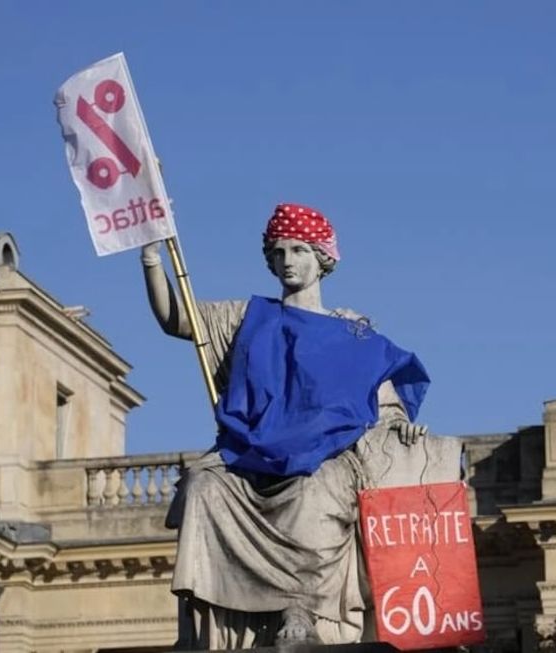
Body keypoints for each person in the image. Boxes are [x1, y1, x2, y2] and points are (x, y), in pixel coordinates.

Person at [142, 203, 460, 649]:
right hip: (250, 453)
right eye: (279, 251)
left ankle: (300, 604)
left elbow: (383, 401)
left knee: (315, 489)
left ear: (322, 258)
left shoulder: (351, 331)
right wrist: (152, 259)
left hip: (324, 455)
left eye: (298, 250)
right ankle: (204, 627)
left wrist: (402, 427)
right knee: (201, 484)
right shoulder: (246, 317)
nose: (288, 260)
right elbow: (176, 318)